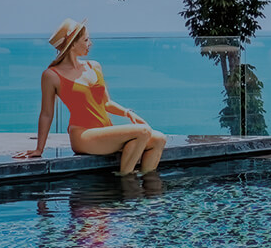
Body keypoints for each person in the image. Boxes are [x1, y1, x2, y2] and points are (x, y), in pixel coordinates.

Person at [15, 18, 167, 175]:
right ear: (73, 44)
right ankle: (125, 183)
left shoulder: (94, 66)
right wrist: (39, 149)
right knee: (142, 131)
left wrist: (129, 113)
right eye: (86, 40)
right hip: (83, 136)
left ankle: (147, 193)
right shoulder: (51, 75)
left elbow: (106, 103)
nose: (90, 43)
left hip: (104, 131)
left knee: (159, 139)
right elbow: (46, 114)